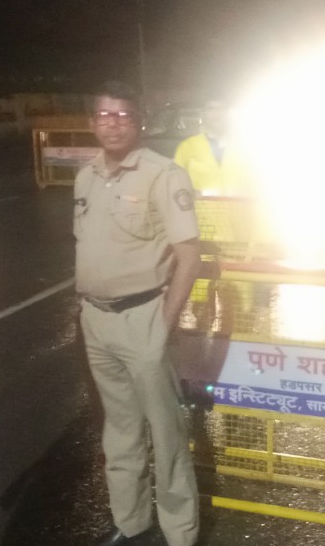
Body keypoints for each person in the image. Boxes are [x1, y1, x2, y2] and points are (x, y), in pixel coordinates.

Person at [75, 81, 202, 546]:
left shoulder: (162, 174)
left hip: (144, 316)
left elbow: (189, 257)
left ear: (140, 122)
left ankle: (180, 531)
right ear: (93, 121)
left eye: (123, 115)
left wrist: (163, 324)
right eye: (104, 115)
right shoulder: (86, 176)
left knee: (165, 433)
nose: (112, 124)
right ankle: (130, 521)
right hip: (96, 319)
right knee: (119, 429)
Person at [172, 99, 250, 196]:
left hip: (240, 206)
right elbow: (176, 185)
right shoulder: (187, 147)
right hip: (200, 206)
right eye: (211, 109)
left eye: (223, 108)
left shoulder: (247, 147)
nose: (217, 114)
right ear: (203, 114)